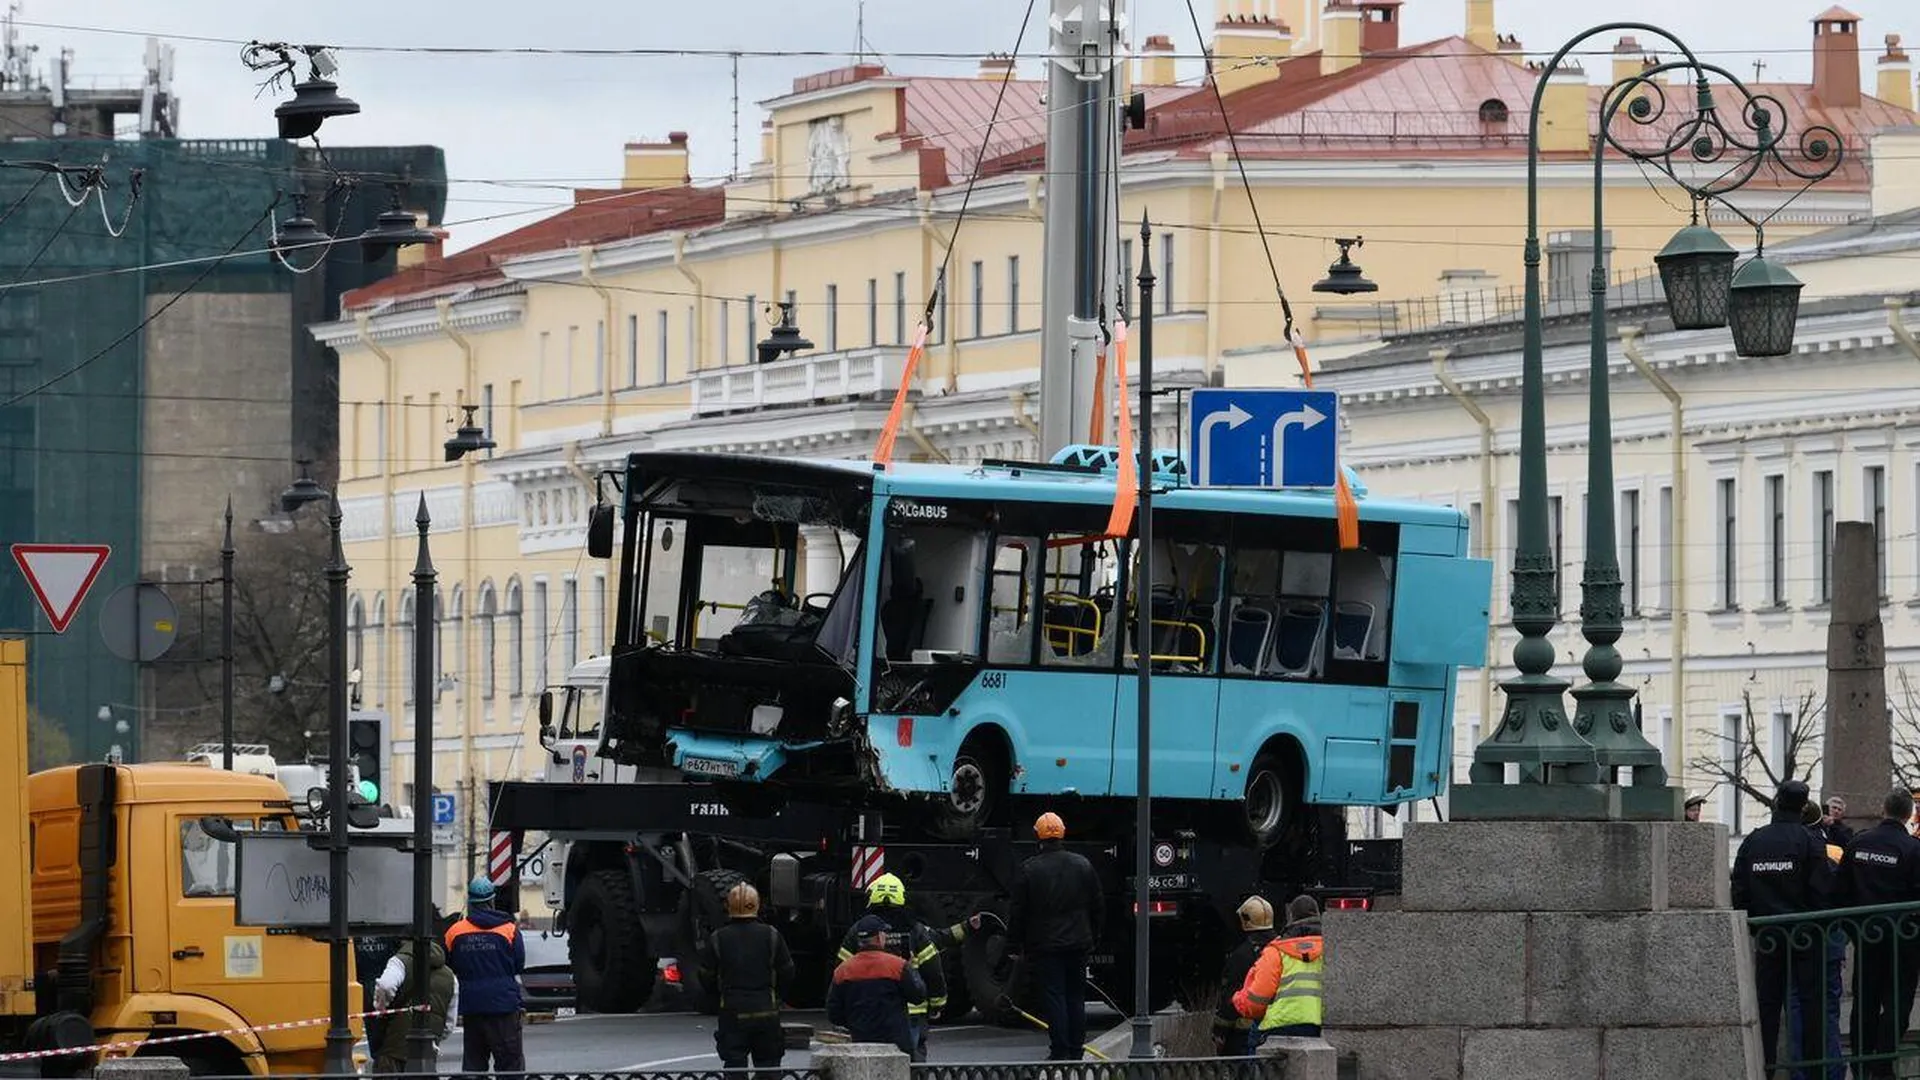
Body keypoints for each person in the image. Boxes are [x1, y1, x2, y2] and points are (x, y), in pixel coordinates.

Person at [1731, 780, 1833, 1077]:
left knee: (1767, 1007)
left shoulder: (1755, 840)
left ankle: (1766, 1068)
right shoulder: (1810, 841)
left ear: (1776, 802)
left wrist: (1756, 923)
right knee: (1811, 1005)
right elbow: (1822, 890)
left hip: (1768, 935)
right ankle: (1814, 1071)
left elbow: (1739, 888)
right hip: (1805, 936)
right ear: (1803, 807)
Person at [836, 872, 972, 1061]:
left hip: (867, 1008)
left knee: (868, 1062)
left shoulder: (859, 930)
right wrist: (937, 1003)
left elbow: (842, 971)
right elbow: (932, 969)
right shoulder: (915, 929)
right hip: (912, 1011)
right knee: (911, 1061)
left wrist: (842, 1009)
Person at [1006, 811, 1103, 1062]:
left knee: (1055, 996)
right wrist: (1094, 935)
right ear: (1062, 834)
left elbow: (1018, 912)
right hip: (1079, 943)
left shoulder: (1029, 869)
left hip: (1046, 946)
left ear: (1037, 837)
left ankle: (1060, 1050)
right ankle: (1076, 1049)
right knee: (1075, 996)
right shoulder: (1082, 865)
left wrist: (1013, 944)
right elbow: (1097, 905)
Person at [1838, 789, 1920, 1080]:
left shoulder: (1859, 842)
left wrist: (1855, 931)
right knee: (1898, 1001)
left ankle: (1861, 1062)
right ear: (1908, 814)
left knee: (1865, 1001)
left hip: (1866, 937)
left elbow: (1841, 893)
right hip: (1902, 941)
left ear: (1883, 809)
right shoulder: (1912, 849)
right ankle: (1883, 1064)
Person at [697, 882, 796, 1070]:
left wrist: (719, 997)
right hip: (766, 1010)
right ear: (757, 905)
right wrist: (776, 996)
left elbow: (705, 976)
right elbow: (787, 971)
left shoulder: (718, 938)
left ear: (729, 906)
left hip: (732, 1012)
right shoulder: (772, 935)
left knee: (735, 1066)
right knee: (769, 1067)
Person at [1784, 801, 1844, 1080]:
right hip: (1828, 941)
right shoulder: (1831, 852)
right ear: (1821, 822)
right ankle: (1831, 1072)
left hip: (1793, 940)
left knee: (1796, 1006)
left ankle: (1801, 1073)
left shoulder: (1786, 849)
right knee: (1829, 1010)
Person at [444, 874, 526, 1074]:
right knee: (510, 1066)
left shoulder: (454, 932)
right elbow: (518, 964)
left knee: (474, 1066)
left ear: (470, 900)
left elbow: (449, 965)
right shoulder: (509, 930)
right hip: (504, 1007)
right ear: (492, 900)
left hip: (472, 1008)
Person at [1233, 895, 1325, 1051]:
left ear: (1291, 917)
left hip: (1279, 1027)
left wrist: (1237, 1000)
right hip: (1321, 1027)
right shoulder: (1333, 948)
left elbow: (1256, 1003)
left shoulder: (1275, 952)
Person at [371, 925, 458, 1076]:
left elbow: (386, 985)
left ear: (404, 941)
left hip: (395, 1046)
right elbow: (450, 1022)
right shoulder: (450, 976)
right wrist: (435, 1037)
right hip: (428, 1051)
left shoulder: (400, 961)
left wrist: (381, 1009)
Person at [827, 928, 927, 1054]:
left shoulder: (842, 970)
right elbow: (919, 996)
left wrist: (855, 1022)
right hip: (896, 1047)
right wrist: (913, 970)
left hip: (861, 1046)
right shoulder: (898, 966)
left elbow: (834, 1014)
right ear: (880, 937)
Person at [1213, 897, 1278, 1056]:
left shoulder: (1242, 955)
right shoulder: (1281, 949)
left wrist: (1219, 1031)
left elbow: (1229, 997)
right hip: (1277, 1029)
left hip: (1243, 1034)